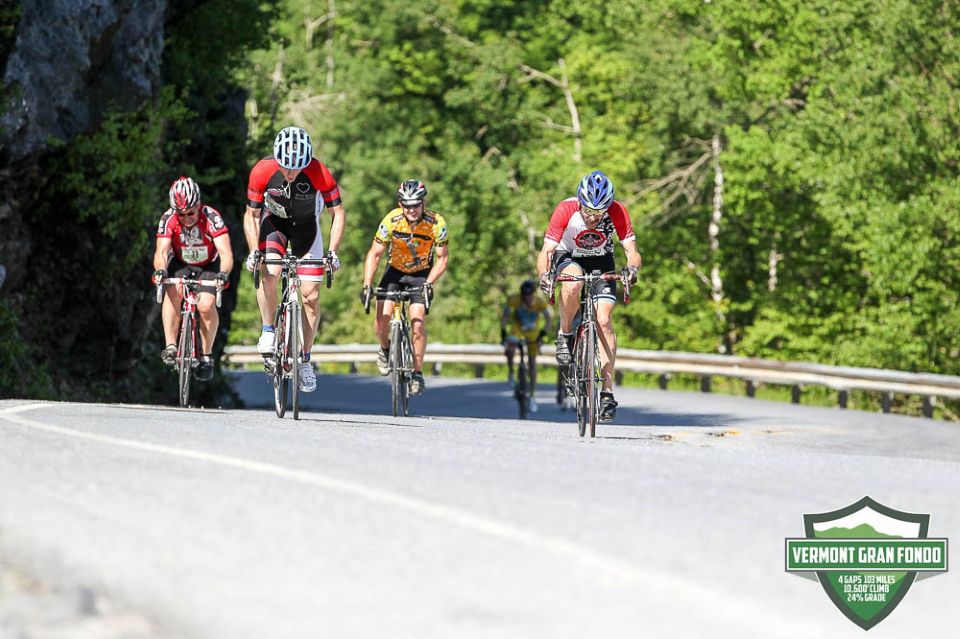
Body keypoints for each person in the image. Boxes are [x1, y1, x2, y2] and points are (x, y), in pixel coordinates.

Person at [243, 126, 345, 393]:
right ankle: (268, 329)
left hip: (306, 228)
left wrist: (333, 251)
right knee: (271, 272)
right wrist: (255, 249)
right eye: (286, 168)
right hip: (274, 224)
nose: (290, 174)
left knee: (311, 297)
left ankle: (305, 360)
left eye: (296, 169)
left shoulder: (320, 172)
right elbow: (252, 215)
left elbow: (338, 214)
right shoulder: (262, 171)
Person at [535, 170, 641, 422]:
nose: (593, 218)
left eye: (599, 212)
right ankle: (565, 333)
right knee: (572, 283)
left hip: (602, 260)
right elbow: (546, 251)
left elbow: (632, 252)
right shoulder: (565, 209)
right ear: (580, 202)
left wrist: (632, 269)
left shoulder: (617, 211)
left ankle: (606, 393)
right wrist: (543, 275)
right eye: (589, 212)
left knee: (603, 320)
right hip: (569, 255)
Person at [361, 180, 449, 395]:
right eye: (406, 205)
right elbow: (375, 254)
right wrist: (366, 284)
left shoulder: (436, 223)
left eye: (416, 204)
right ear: (400, 204)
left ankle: (417, 373)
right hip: (395, 272)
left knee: (417, 324)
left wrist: (429, 282)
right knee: (382, 316)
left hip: (421, 274)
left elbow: (442, 259)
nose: (411, 209)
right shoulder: (391, 220)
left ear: (424, 203)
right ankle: (384, 349)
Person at [152, 177, 233, 382]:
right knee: (173, 291)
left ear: (198, 204)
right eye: (182, 214)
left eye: (191, 213)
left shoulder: (211, 217)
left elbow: (226, 252)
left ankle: (206, 355)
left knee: (206, 305)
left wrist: (223, 273)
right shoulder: (168, 218)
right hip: (180, 261)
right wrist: (160, 270)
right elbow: (161, 251)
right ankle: (171, 345)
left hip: (208, 264)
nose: (187, 218)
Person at [501, 279, 552, 412]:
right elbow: (505, 317)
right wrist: (503, 335)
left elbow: (548, 320)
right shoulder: (513, 300)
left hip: (533, 332)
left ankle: (533, 395)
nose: (527, 297)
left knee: (532, 362)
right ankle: (512, 372)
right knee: (510, 346)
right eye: (524, 294)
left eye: (529, 294)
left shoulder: (540, 303)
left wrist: (542, 336)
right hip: (517, 329)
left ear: (533, 294)